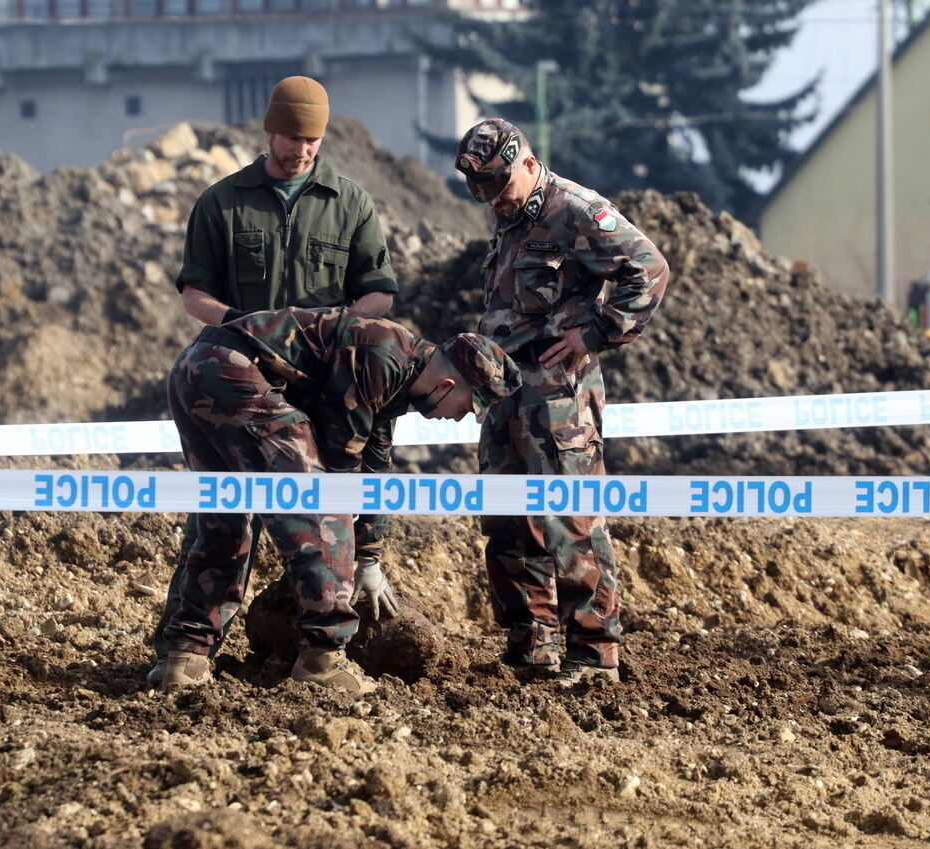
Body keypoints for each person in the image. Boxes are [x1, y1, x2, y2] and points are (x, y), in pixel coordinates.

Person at [150, 75, 402, 685]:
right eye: (292, 137)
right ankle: (188, 655)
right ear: (269, 131)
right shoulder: (222, 202)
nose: (302, 150)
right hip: (233, 380)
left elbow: (378, 291)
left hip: (314, 382)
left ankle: (303, 644)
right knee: (224, 514)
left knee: (311, 499)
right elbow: (194, 292)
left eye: (313, 140)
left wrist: (335, 333)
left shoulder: (350, 203)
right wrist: (241, 327)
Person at [159, 306, 521, 693]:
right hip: (235, 373)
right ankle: (323, 657)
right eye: (468, 406)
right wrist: (337, 559)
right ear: (448, 384)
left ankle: (184, 659)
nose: (462, 417)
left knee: (227, 518)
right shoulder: (380, 357)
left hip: (196, 366)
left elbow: (373, 473)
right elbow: (337, 481)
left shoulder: (397, 372)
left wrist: (369, 557)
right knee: (322, 511)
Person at [454, 119, 670, 684]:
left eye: (500, 186)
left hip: (558, 397)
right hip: (504, 390)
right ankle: (533, 644)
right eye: (483, 191)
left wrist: (595, 334)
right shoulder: (507, 213)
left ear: (526, 161)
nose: (493, 200)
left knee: (570, 518)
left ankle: (594, 653)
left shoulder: (575, 210)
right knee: (506, 517)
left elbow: (647, 269)